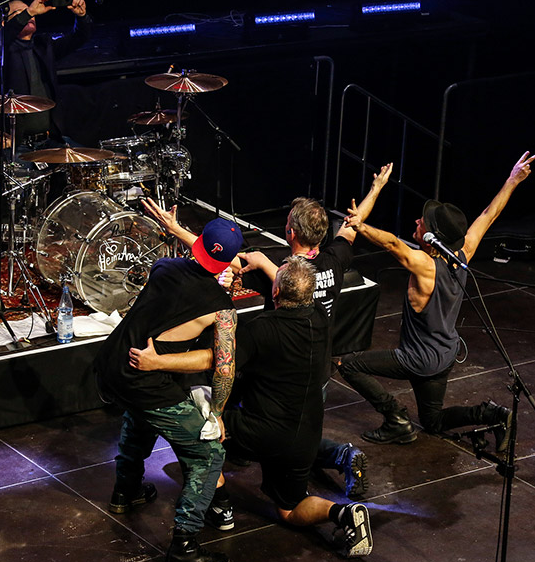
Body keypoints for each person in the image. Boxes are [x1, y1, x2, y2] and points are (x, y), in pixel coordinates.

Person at [140, 165, 390, 499]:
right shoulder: (335, 259)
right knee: (298, 428)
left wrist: (177, 229)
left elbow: (221, 260)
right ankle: (338, 455)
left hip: (275, 363)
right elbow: (351, 228)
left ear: (290, 233)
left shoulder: (280, 276)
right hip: (317, 369)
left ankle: (235, 482)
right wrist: (375, 189)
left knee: (261, 425)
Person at [131, 257, 373, 558]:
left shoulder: (261, 330)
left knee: (196, 421)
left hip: (261, 429)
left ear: (275, 293)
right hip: (305, 436)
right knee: (290, 510)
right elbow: (292, 288)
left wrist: (157, 362)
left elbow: (216, 361)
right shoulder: (321, 319)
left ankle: (219, 506)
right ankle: (343, 514)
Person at [338, 151, 535, 450]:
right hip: (444, 354)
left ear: (432, 236)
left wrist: (361, 226)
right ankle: (492, 414)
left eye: (423, 222)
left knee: (348, 364)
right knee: (432, 422)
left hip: (418, 359)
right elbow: (488, 215)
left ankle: (394, 418)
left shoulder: (426, 265)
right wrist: (512, 180)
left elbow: (393, 244)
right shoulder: (463, 253)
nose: (417, 220)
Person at [94, 217, 243, 562]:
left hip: (112, 365)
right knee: (209, 454)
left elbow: (198, 270)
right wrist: (216, 414)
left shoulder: (164, 267)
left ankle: (125, 491)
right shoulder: (221, 309)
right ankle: (184, 548)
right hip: (145, 377)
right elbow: (223, 368)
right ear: (229, 265)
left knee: (141, 411)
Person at [0, 0, 91, 149]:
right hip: (17, 145)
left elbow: (80, 38)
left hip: (51, 140)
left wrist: (81, 17)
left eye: (30, 12)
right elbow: (1, 39)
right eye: (20, 13)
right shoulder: (1, 49)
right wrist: (29, 12)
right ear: (4, 23)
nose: (30, 15)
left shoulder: (44, 45)